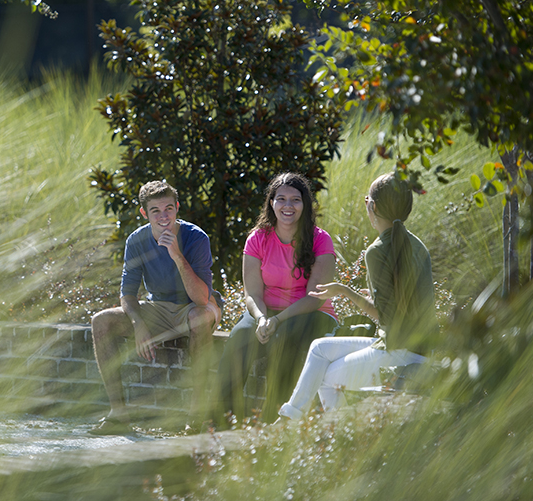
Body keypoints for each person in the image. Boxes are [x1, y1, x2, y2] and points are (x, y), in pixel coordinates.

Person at [277, 172, 436, 420]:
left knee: (326, 376)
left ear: (371, 206)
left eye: (366, 201)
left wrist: (345, 291)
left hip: (399, 351)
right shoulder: (418, 246)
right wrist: (369, 294)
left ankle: (331, 434)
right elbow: (405, 301)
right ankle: (294, 418)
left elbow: (388, 317)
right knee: (319, 349)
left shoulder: (377, 251)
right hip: (418, 347)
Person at [90, 180, 221, 434]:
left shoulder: (196, 237)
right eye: (156, 211)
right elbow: (127, 294)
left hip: (194, 306)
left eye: (169, 209)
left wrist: (176, 254)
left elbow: (202, 299)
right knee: (101, 321)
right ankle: (118, 415)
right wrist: (139, 325)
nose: (164, 217)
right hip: (158, 307)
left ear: (177, 208)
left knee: (200, 317)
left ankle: (195, 417)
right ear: (144, 213)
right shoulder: (137, 240)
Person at [217, 172, 337, 425]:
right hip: (266, 311)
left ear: (305, 204)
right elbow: (252, 294)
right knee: (240, 336)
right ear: (271, 203)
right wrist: (261, 319)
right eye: (281, 199)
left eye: (295, 200)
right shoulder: (258, 238)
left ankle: (276, 423)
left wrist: (278, 320)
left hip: (310, 314)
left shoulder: (320, 240)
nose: (288, 206)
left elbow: (315, 297)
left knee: (285, 338)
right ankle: (222, 422)